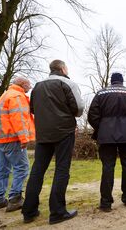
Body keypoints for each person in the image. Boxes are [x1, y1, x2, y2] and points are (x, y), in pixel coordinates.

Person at [22, 60, 84, 224]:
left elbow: (33, 109)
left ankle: (29, 211)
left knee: (37, 169)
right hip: (64, 132)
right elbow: (79, 108)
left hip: (43, 133)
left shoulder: (37, 86)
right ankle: (57, 212)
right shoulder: (68, 83)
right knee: (62, 169)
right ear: (63, 69)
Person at [88, 72, 126, 212]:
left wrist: (102, 128)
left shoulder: (101, 93)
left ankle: (106, 203)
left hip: (106, 135)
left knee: (108, 166)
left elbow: (92, 115)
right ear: (122, 81)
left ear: (111, 81)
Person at [0, 77, 35, 212]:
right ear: (23, 84)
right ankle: (15, 199)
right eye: (29, 84)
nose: (30, 87)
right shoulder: (17, 96)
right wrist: (24, 138)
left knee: (2, 169)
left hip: (1, 139)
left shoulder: (5, 95)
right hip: (12, 139)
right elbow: (19, 119)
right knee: (22, 167)